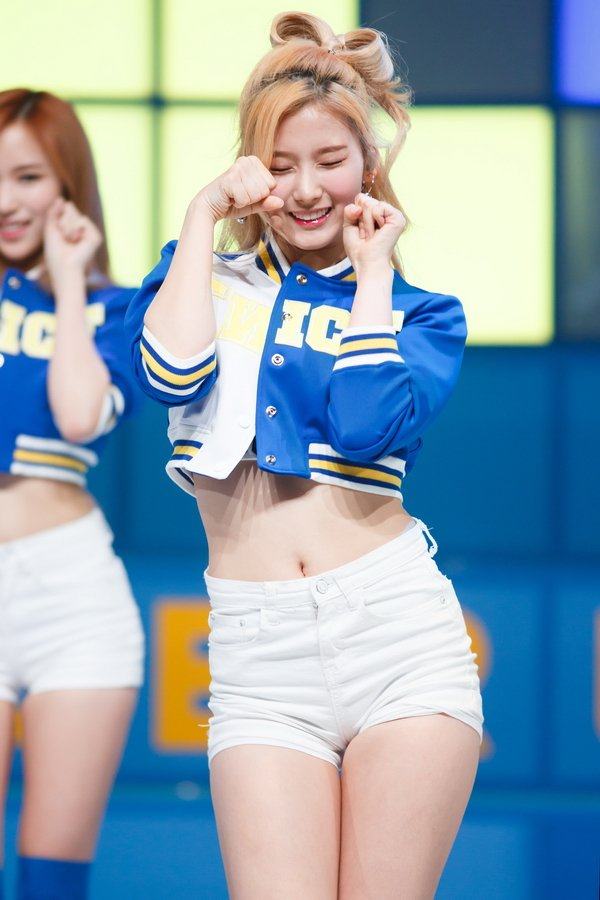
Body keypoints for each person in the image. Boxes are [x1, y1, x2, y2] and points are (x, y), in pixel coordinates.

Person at [126, 12, 483, 899]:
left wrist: (372, 273)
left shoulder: (419, 312)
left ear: (369, 166)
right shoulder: (198, 275)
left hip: (396, 632)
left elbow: (365, 428)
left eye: (330, 161)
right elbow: (171, 374)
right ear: (249, 170)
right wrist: (203, 215)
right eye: (280, 166)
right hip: (259, 656)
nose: (307, 189)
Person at [0, 89, 144, 900]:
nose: (5, 201)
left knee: (53, 877)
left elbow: (80, 415)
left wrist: (64, 283)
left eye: (26, 177)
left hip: (72, 597)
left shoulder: (112, 311)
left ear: (67, 182)